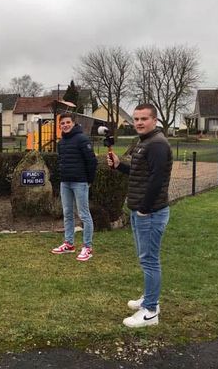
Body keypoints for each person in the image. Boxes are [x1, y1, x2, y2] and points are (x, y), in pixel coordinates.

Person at [107, 103, 173, 327]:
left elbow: (156, 180)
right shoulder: (145, 142)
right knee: (145, 259)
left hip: (150, 213)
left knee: (150, 260)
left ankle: (151, 312)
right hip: (141, 211)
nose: (139, 123)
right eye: (136, 119)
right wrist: (119, 166)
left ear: (154, 120)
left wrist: (144, 208)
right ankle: (149, 297)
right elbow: (139, 174)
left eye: (144, 119)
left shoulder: (157, 145)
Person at [50, 112, 98, 261]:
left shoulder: (82, 139)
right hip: (65, 183)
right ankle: (69, 244)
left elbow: (92, 162)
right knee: (68, 214)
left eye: (67, 122)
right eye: (62, 123)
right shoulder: (61, 143)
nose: (65, 125)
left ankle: (87, 247)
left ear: (73, 123)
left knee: (84, 214)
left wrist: (89, 180)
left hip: (80, 182)